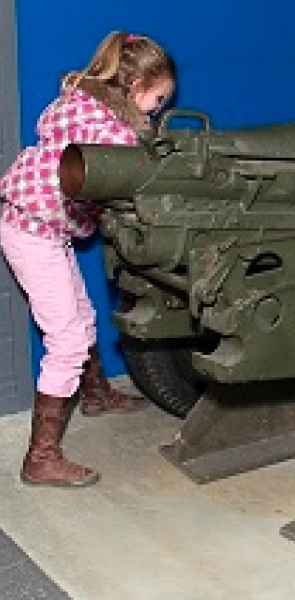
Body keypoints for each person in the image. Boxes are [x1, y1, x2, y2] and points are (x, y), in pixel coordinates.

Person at [0, 31, 176, 487]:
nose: (157, 110)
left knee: (80, 315)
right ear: (135, 88)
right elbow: (133, 167)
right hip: (32, 233)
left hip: (37, 227)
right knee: (67, 339)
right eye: (156, 100)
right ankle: (41, 457)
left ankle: (95, 394)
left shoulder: (78, 103)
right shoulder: (109, 130)